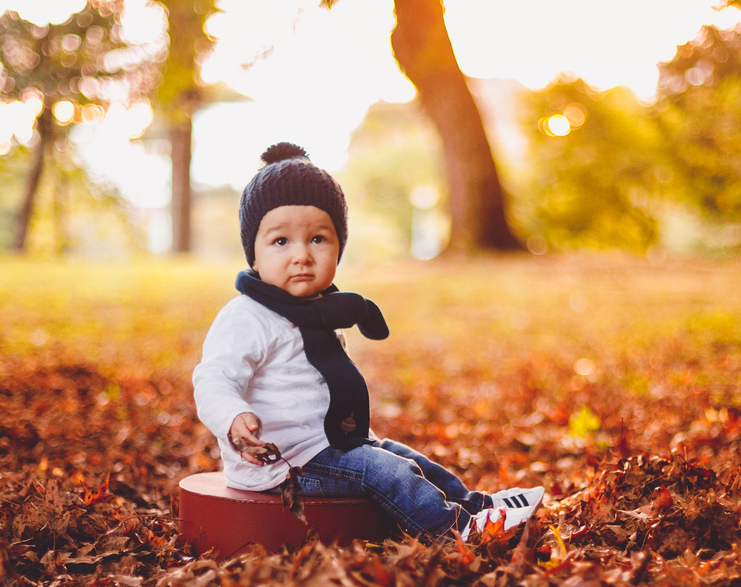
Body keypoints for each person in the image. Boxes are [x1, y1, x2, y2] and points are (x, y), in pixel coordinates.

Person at [192, 142, 544, 540]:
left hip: (332, 444)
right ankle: (457, 531)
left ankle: (478, 506)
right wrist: (233, 416)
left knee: (407, 459)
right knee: (386, 472)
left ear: (339, 246)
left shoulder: (325, 309)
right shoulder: (247, 316)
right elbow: (213, 378)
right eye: (280, 242)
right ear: (252, 255)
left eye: (318, 239)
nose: (302, 255)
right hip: (285, 462)